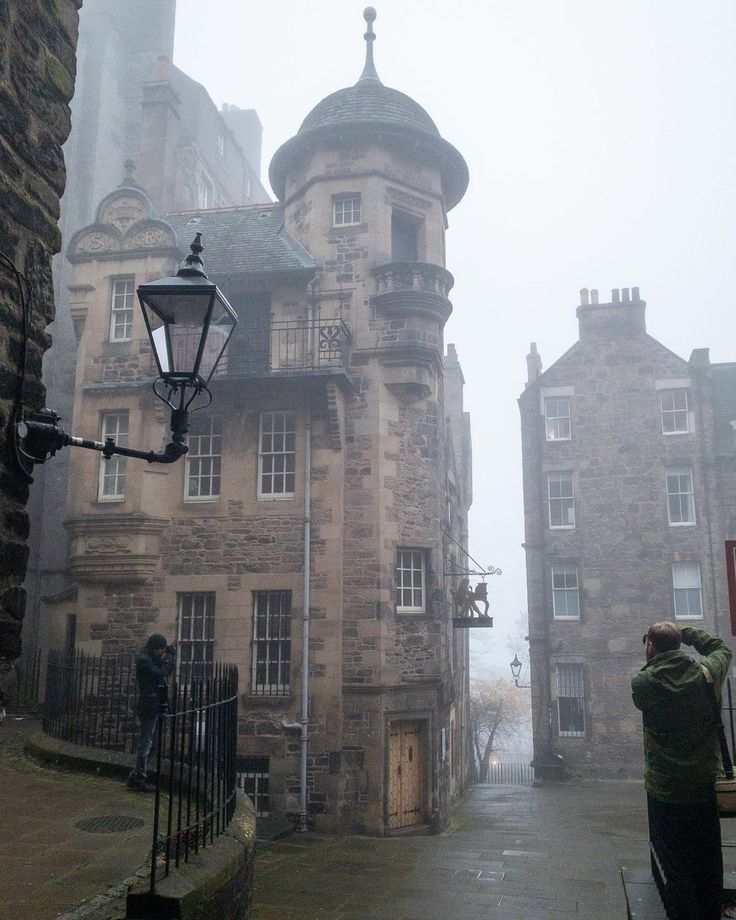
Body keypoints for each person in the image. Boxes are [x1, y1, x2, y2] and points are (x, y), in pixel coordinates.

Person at [632, 622, 732, 920]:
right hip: (703, 787)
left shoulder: (643, 683)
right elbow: (721, 648)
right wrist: (685, 633)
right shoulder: (707, 675)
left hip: (665, 791)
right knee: (709, 862)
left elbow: (649, 676)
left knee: (676, 869)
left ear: (650, 646)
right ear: (678, 644)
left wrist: (659, 644)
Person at [127, 634, 175, 792]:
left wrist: (168, 657)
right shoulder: (144, 660)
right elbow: (160, 673)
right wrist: (168, 658)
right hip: (148, 705)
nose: (161, 653)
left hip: (155, 705)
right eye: (160, 649)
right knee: (146, 743)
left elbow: (163, 671)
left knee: (154, 744)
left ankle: (136, 775)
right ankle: (140, 778)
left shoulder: (151, 659)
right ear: (154, 648)